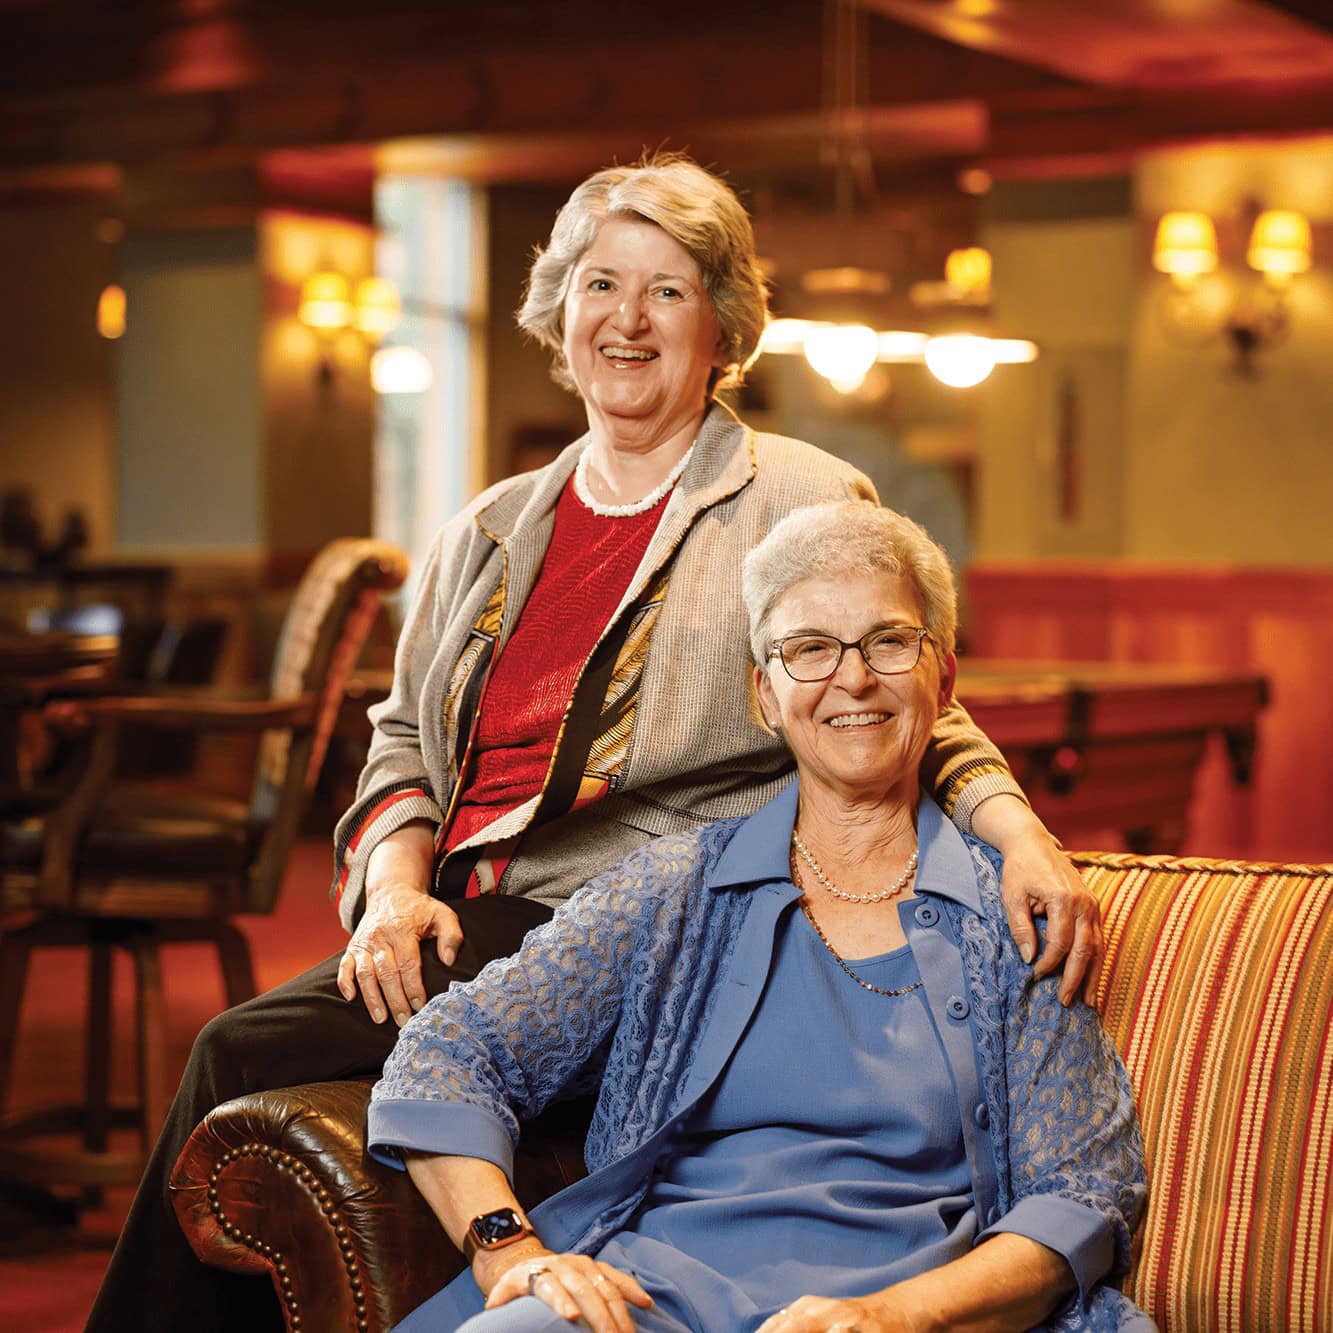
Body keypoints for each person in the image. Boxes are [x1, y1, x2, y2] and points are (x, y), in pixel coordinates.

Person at [87, 155, 1102, 1332]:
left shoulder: (801, 494)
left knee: (232, 1049)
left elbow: (898, 684)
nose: (627, 319)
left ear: (722, 323)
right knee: (268, 1077)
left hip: (636, 915)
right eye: (599, 285)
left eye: (668, 290)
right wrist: (393, 892)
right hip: (455, 915)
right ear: (558, 316)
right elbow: (402, 738)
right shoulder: (491, 522)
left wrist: (1017, 831)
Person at [371, 501, 1151, 1333]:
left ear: (943, 679)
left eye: (888, 642)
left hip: (905, 1310)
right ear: (765, 697)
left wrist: (890, 1316)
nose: (851, 679)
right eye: (809, 649)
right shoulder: (674, 891)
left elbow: (1080, 1192)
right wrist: (512, 1252)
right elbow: (450, 1051)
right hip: (649, 1303)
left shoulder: (1010, 911)